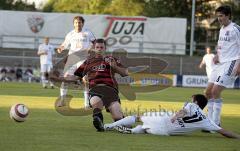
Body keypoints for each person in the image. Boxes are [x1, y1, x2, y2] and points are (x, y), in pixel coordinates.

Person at [52, 38, 128, 131]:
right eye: (97, 47)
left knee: (119, 120)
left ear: (105, 48)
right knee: (96, 102)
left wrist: (114, 66)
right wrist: (60, 79)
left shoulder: (112, 59)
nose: (99, 49)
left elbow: (125, 73)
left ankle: (122, 120)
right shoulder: (88, 62)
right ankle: (98, 120)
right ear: (94, 48)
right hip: (96, 89)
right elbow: (76, 76)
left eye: (101, 47)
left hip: (111, 90)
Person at [104, 94, 240, 139]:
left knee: (138, 117)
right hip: (164, 133)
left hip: (165, 120)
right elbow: (224, 131)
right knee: (145, 129)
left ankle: (109, 126)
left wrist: (175, 116)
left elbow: (183, 111)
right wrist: (238, 136)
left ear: (196, 102)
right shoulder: (207, 121)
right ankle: (133, 130)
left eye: (191, 98)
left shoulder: (192, 106)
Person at [205, 5, 240, 127]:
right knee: (208, 92)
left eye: (221, 16)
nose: (219, 18)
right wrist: (216, 55)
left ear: (228, 15)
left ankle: (215, 123)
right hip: (220, 63)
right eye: (218, 16)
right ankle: (209, 121)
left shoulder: (235, 29)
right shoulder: (221, 29)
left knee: (215, 91)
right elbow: (221, 45)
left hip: (231, 62)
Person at [57, 16, 96, 107]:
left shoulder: (87, 33)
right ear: (73, 24)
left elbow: (95, 42)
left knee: (85, 80)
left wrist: (90, 49)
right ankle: (62, 100)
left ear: (82, 23)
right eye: (76, 22)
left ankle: (86, 103)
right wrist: (60, 48)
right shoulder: (70, 34)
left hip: (83, 59)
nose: (78, 24)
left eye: (80, 22)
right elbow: (64, 44)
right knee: (65, 78)